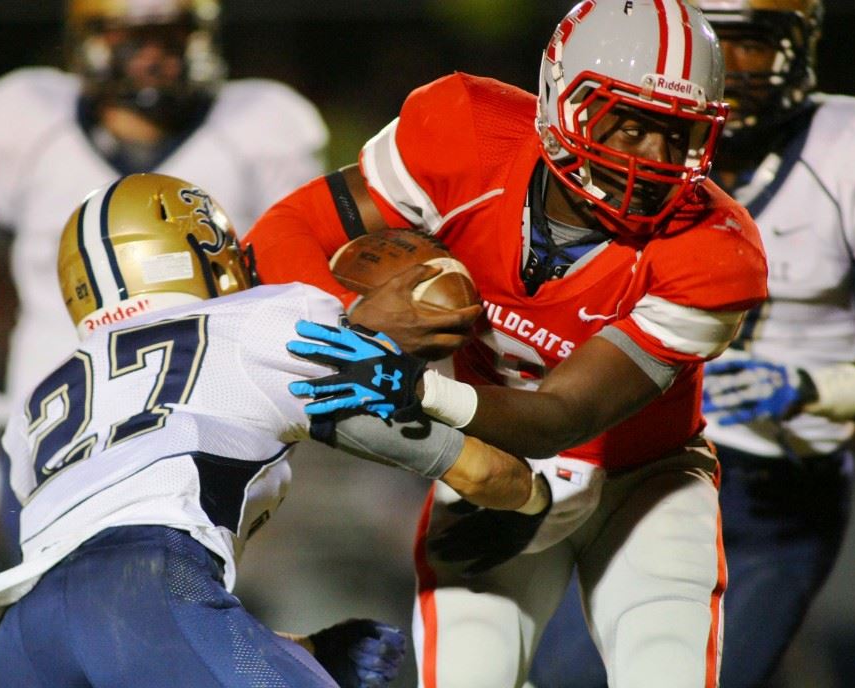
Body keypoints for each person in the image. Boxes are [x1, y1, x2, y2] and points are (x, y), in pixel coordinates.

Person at [244, 2, 771, 686]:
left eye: (678, 135)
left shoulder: (716, 252)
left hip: (643, 480)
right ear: (563, 96)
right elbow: (288, 229)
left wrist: (409, 384)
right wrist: (347, 323)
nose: (654, 160)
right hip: (488, 463)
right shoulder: (468, 133)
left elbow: (561, 416)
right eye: (631, 124)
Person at [0, 173, 558, 688]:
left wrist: (299, 652)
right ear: (199, 253)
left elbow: (106, 615)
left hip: (23, 639)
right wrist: (532, 499)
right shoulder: (263, 319)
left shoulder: (37, 405)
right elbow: (477, 471)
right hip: (153, 585)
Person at [0, 0, 328, 619]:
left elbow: (301, 283)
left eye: (170, 34)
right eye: (131, 35)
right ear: (87, 37)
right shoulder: (28, 123)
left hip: (208, 438)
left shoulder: (261, 130)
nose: (151, 55)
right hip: (53, 441)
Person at [523, 2, 855, 687]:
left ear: (799, 44)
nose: (720, 69)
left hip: (775, 490)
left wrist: (816, 387)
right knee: (564, 677)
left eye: (748, 43)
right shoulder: (615, 145)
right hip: (635, 464)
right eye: (707, 43)